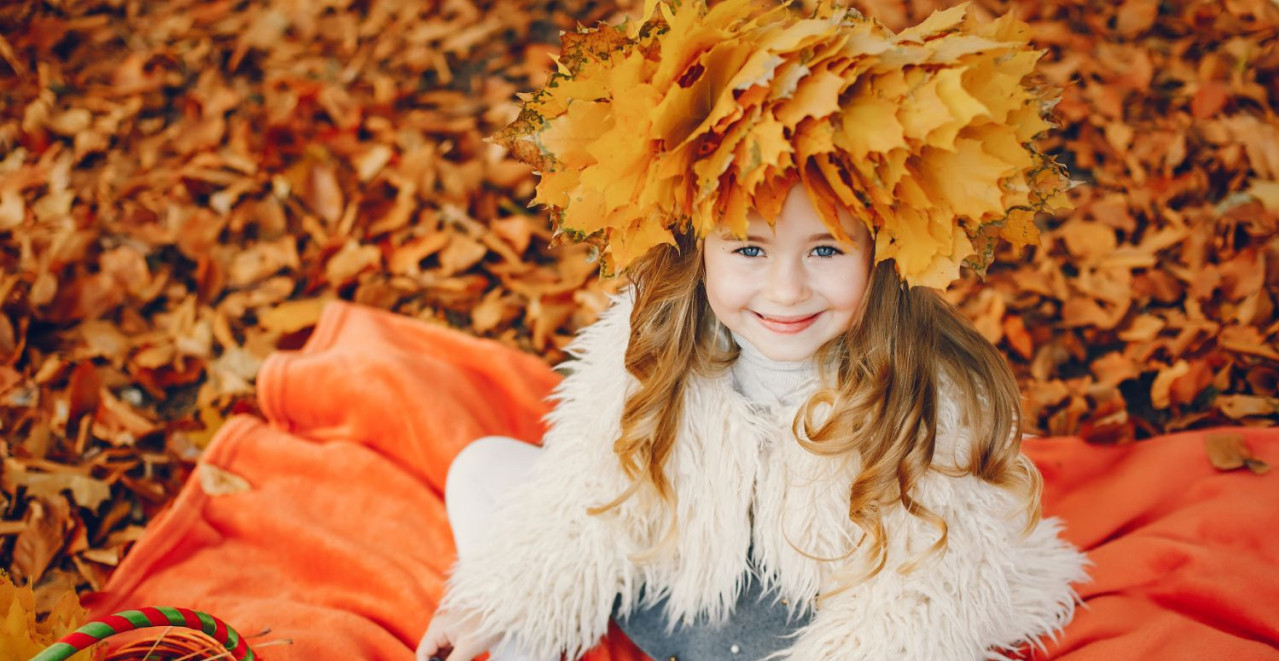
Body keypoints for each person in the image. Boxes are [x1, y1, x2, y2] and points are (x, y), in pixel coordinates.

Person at [418, 0, 1088, 659]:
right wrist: (500, 597)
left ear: (882, 255)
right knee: (483, 471)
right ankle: (523, 643)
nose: (786, 289)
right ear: (698, 251)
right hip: (677, 593)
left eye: (824, 251)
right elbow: (589, 492)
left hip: (812, 628)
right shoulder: (656, 335)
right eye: (748, 249)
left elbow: (925, 593)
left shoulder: (921, 388)